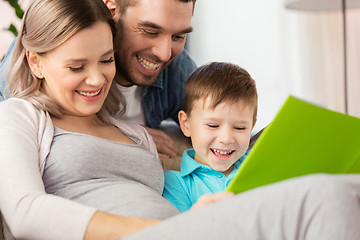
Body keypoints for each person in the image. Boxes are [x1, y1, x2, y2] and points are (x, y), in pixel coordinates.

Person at [2, 0, 360, 240]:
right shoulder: (20, 114)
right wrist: (158, 229)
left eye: (107, 60)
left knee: (343, 187)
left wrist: (198, 212)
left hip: (184, 227)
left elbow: (214, 120)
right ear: (36, 62)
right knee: (328, 195)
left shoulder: (137, 129)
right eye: (77, 67)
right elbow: (24, 210)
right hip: (160, 233)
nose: (97, 79)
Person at [0, 0, 198, 159]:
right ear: (111, 9)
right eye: (150, 32)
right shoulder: (43, 53)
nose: (164, 54)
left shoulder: (177, 68)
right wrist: (125, 136)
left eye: (178, 36)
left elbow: (218, 121)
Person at [163, 62, 257, 212]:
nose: (226, 139)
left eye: (240, 128)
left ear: (251, 127)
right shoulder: (176, 182)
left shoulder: (257, 164)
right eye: (213, 126)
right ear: (186, 124)